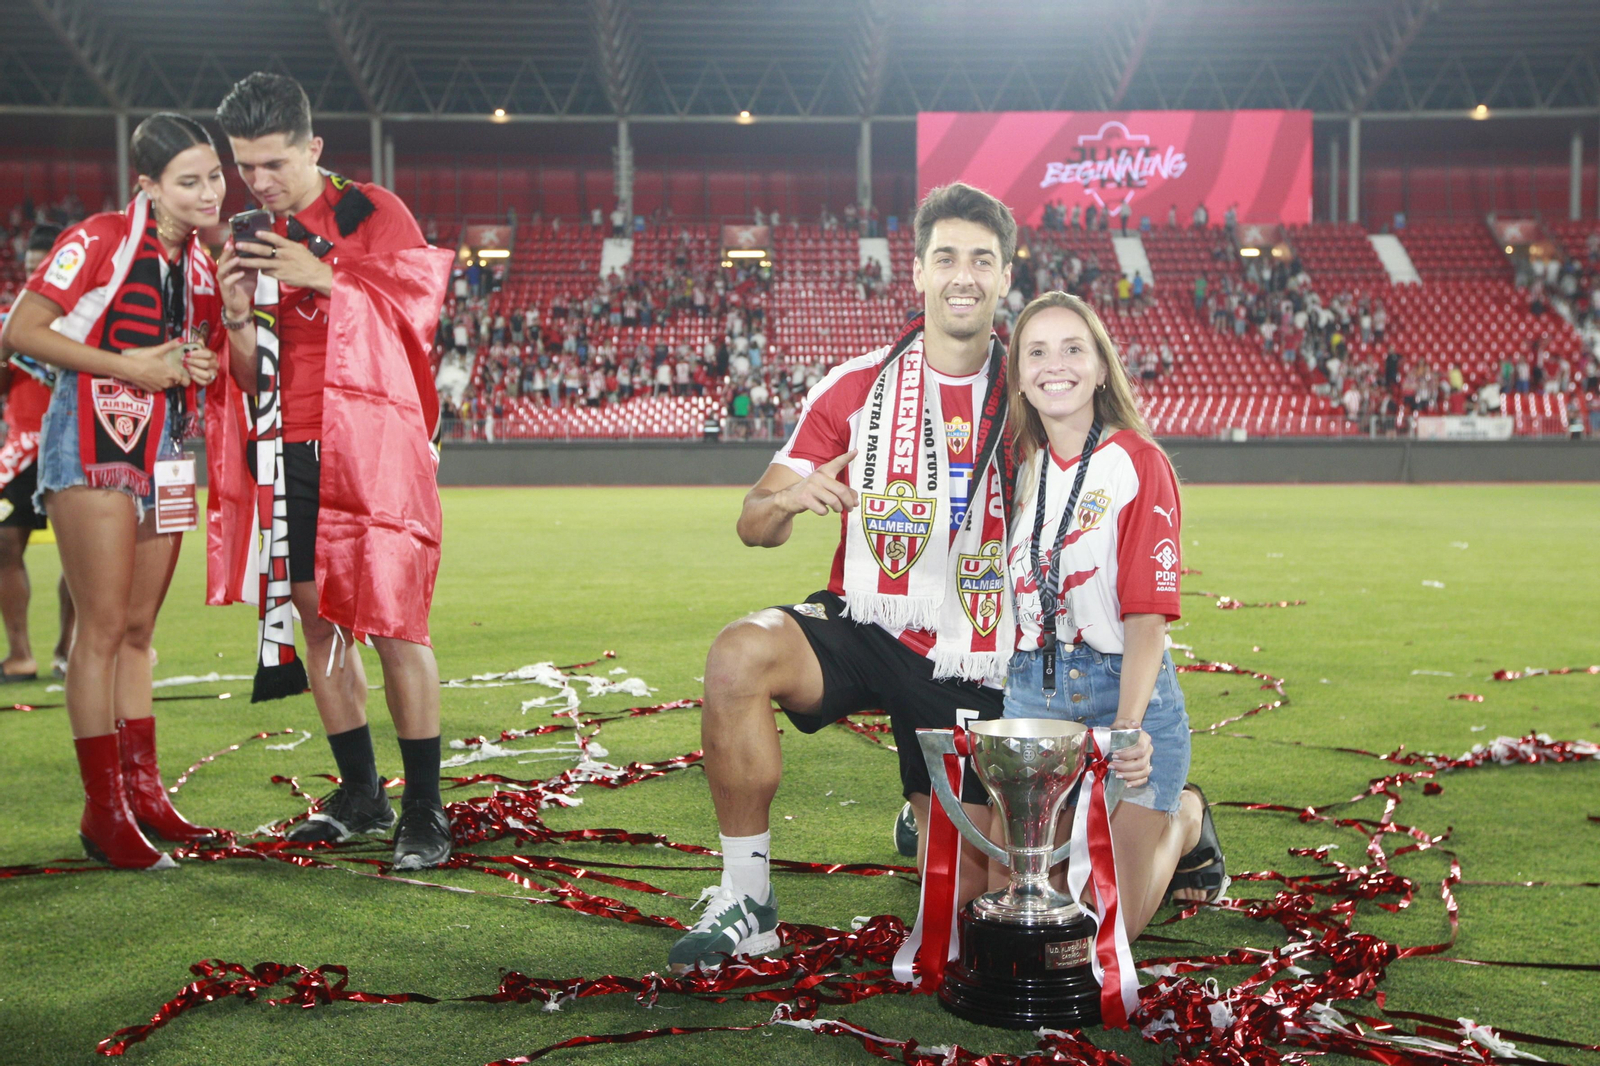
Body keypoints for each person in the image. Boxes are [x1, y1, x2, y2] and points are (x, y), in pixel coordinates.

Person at [668, 183, 1019, 972]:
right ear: (919, 274)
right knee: (736, 655)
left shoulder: (1029, 390)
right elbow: (753, 522)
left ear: (1004, 277)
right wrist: (789, 499)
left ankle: (922, 804)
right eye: (946, 258)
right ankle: (747, 899)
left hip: (968, 645)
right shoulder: (858, 383)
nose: (963, 275)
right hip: (865, 618)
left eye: (982, 260)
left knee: (966, 907)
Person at [209, 72, 455, 870]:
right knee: (317, 621)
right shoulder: (248, 232)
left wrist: (324, 275)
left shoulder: (372, 212)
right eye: (247, 167)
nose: (261, 181)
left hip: (376, 439)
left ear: (314, 146)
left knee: (391, 621)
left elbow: (422, 314)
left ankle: (425, 810)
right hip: (290, 441)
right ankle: (361, 793)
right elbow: (246, 379)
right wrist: (240, 314)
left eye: (275, 163)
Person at [0, 114, 233, 869]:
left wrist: (194, 364)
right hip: (91, 442)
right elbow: (20, 330)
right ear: (149, 186)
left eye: (215, 177)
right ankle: (103, 812)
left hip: (165, 448)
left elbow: (190, 353)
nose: (209, 192)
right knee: (98, 630)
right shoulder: (98, 236)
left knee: (138, 631)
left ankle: (145, 796)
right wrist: (131, 366)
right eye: (189, 180)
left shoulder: (200, 262)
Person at [999, 290, 1226, 943]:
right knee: (1013, 914)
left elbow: (1147, 616)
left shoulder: (1137, 462)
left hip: (1123, 691)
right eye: (1037, 352)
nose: (1055, 365)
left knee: (1099, 928)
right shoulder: (1019, 469)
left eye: (1074, 348)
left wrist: (1128, 728)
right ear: (1019, 376)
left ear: (1101, 367)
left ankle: (1184, 817)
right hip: (1033, 691)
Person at [0, 224, 76, 682]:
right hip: (24, 447)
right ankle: (20, 654)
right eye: (27, 271)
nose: (32, 278)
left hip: (74, 441)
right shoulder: (10, 322)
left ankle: (69, 649)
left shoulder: (86, 318)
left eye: (40, 270)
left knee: (82, 557)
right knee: (5, 545)